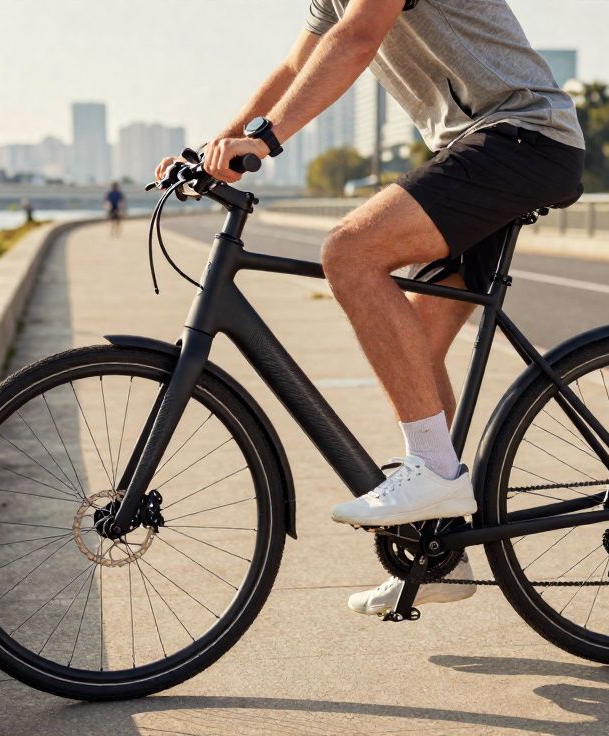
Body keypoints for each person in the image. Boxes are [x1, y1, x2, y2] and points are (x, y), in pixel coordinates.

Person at [155, 0, 584, 616]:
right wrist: (213, 149)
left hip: (524, 136)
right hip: (480, 146)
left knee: (350, 253)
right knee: (414, 346)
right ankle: (442, 553)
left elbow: (357, 40)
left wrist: (267, 139)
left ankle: (434, 474)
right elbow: (295, 66)